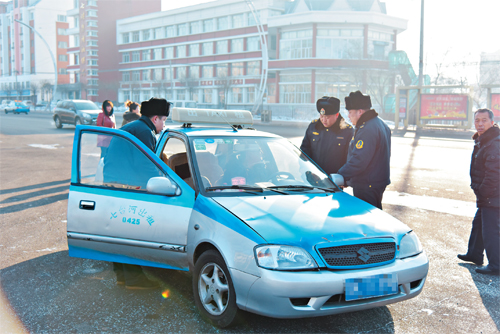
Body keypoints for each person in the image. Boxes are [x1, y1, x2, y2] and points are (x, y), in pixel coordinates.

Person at [104, 97, 170, 289]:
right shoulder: (144, 131)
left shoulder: (135, 127)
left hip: (115, 183)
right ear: (155, 118)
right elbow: (146, 165)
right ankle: (135, 279)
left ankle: (123, 277)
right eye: (164, 120)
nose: (163, 124)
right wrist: (159, 186)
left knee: (120, 232)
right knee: (130, 232)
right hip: (125, 186)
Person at [458, 108, 499, 276]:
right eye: (477, 121)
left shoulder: (494, 143)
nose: (480, 124)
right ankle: (474, 254)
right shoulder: (483, 140)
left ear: (492, 121)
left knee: (490, 230)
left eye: (484, 120)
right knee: (479, 225)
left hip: (493, 195)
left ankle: (496, 264)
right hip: (487, 194)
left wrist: (483, 192)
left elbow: (494, 174)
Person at [337, 91, 391, 210]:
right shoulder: (379, 123)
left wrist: (341, 175)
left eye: (350, 112)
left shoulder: (367, 129)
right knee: (375, 215)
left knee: (367, 220)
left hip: (367, 184)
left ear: (360, 111)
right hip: (376, 181)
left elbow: (359, 159)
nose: (348, 116)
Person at [300, 96, 353, 175]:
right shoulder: (313, 127)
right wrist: (306, 170)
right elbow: (304, 151)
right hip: (313, 177)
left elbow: (350, 159)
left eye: (327, 117)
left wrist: (343, 177)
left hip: (334, 180)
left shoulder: (346, 131)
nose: (323, 120)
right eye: (321, 116)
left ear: (337, 115)